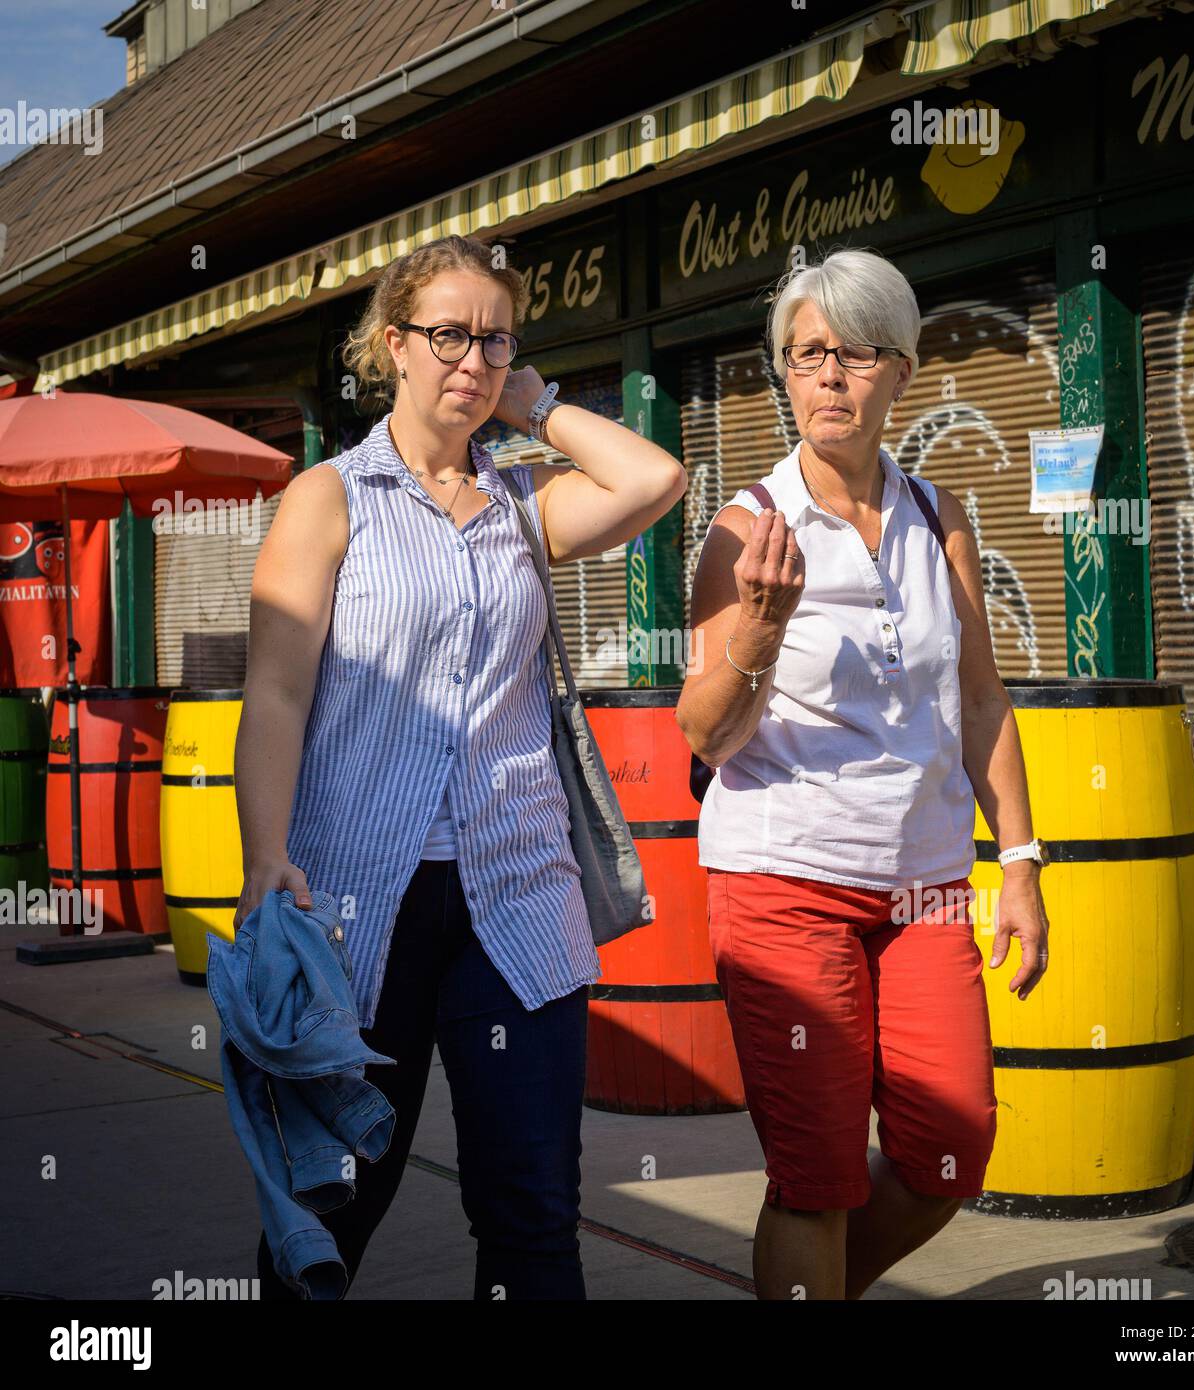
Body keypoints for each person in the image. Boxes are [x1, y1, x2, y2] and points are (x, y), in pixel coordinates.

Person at [231, 232, 686, 1300]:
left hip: (517, 896)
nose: (471, 361)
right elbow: (278, 694)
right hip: (354, 903)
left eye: (494, 340)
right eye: (447, 335)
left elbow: (653, 477)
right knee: (333, 1200)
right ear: (394, 344)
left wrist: (538, 407)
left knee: (531, 1212)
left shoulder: (524, 507)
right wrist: (262, 860)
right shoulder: (328, 498)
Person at [676, 245, 1051, 1301]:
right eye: (804, 356)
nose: (828, 377)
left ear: (901, 371)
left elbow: (980, 701)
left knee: (949, 1150)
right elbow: (702, 733)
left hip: (926, 886)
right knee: (817, 1177)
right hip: (786, 884)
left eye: (853, 353)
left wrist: (1017, 861)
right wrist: (759, 622)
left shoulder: (943, 516)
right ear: (782, 375)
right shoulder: (746, 528)